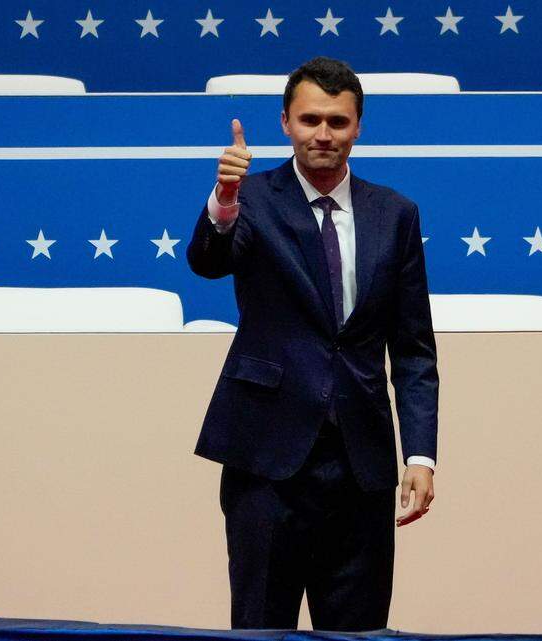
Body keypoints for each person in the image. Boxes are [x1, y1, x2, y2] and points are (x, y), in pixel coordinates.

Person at [186, 56, 438, 632]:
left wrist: (420, 455)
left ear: (358, 127)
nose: (323, 134)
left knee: (358, 630)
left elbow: (414, 349)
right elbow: (206, 260)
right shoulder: (247, 197)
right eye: (309, 120)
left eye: (337, 121)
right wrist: (223, 200)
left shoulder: (396, 214)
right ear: (285, 123)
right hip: (267, 459)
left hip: (362, 463)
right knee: (260, 626)